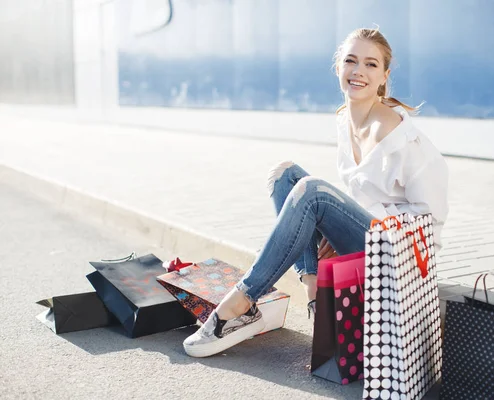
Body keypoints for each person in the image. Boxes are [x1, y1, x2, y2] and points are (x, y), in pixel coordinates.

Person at [182, 28, 449, 358]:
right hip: (368, 239)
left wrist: (350, 222)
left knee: (312, 192)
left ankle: (238, 305)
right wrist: (339, 225)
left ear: (384, 76)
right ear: (338, 68)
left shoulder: (402, 138)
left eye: (370, 64)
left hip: (398, 257)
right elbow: (359, 192)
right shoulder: (345, 121)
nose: (358, 72)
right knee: (285, 175)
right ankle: (315, 297)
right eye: (350, 61)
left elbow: (430, 218)